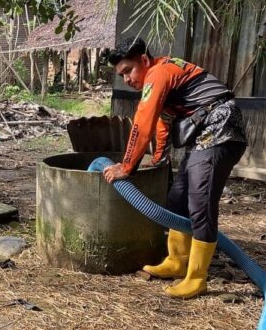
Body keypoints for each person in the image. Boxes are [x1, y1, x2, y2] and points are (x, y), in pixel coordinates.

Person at [103, 37, 247, 299]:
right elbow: (160, 123)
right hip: (204, 138)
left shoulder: (158, 72)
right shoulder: (161, 76)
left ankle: (196, 278)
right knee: (178, 199)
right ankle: (177, 261)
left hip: (221, 131)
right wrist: (158, 158)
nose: (126, 79)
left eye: (128, 71)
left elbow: (143, 119)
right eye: (121, 75)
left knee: (200, 204)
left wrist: (127, 166)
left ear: (144, 61)